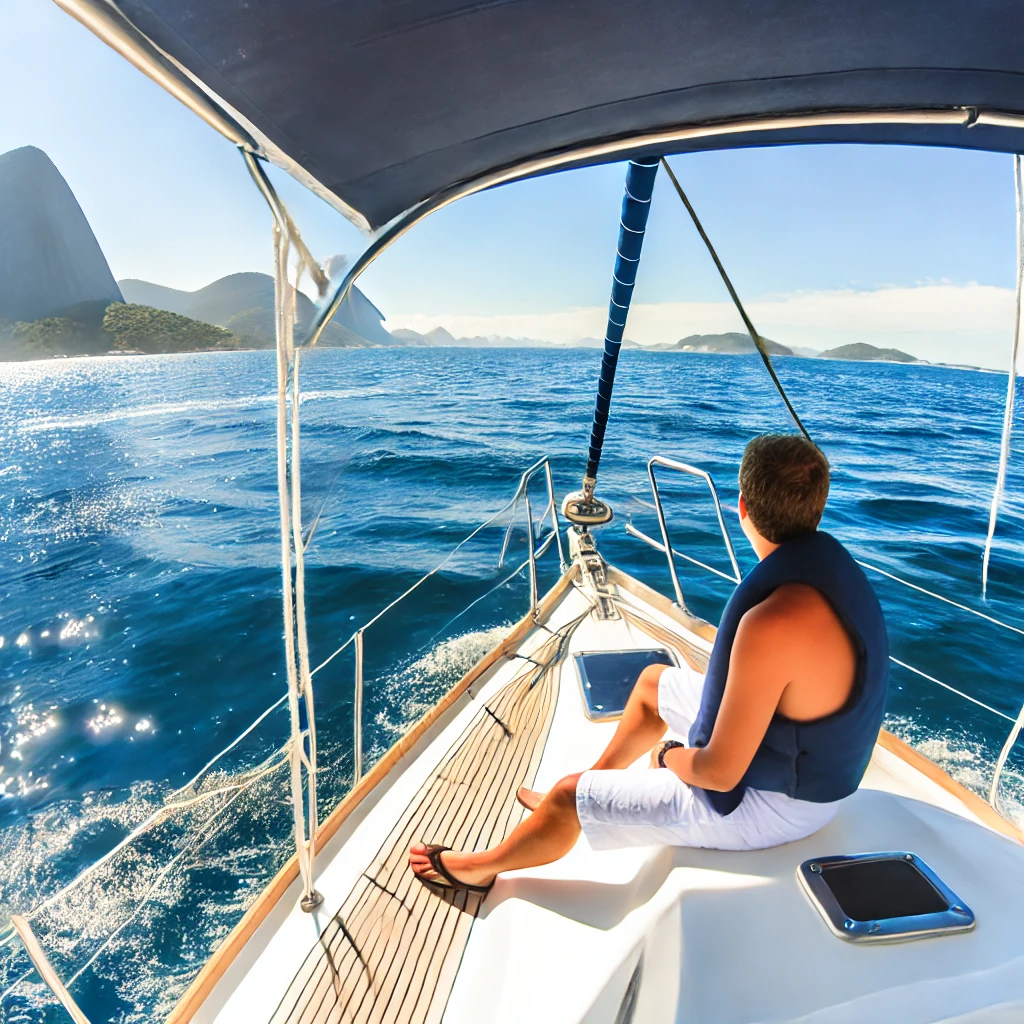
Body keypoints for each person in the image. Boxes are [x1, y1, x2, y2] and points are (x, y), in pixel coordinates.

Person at [409, 433, 889, 899]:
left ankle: (479, 869)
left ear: (741, 505)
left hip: (783, 805)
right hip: (807, 761)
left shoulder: (772, 620)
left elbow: (720, 775)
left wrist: (668, 758)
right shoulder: (829, 572)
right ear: (816, 506)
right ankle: (600, 775)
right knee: (653, 683)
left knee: (571, 797)